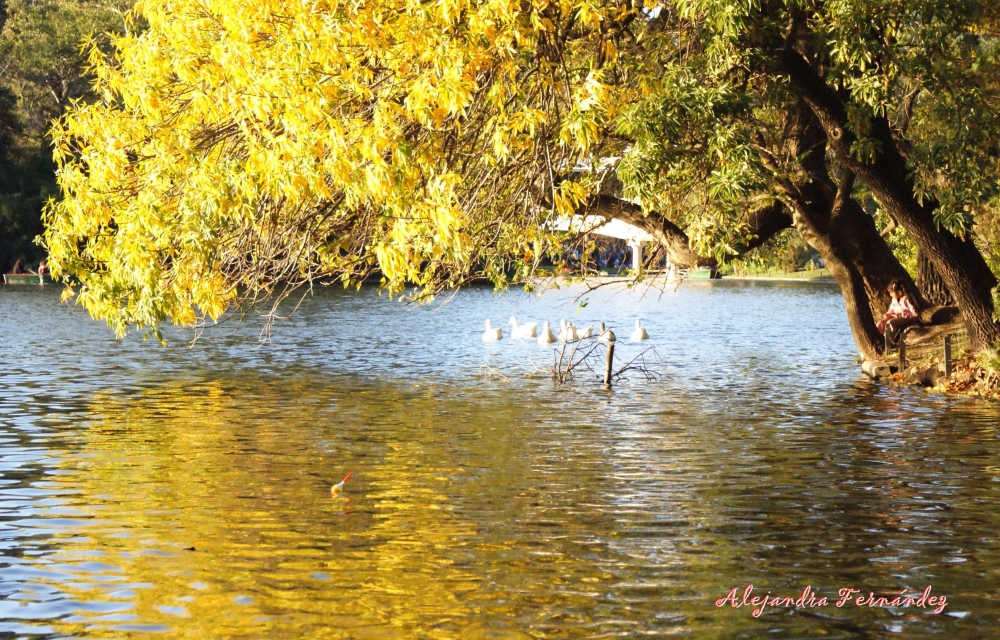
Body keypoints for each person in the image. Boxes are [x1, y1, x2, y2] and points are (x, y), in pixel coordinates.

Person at [877, 280, 919, 344]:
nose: (890, 295)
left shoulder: (908, 299)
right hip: (895, 317)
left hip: (906, 319)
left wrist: (900, 315)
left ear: (899, 293)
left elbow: (915, 314)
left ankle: (887, 343)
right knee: (880, 323)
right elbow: (892, 308)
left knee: (890, 323)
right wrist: (888, 314)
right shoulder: (894, 299)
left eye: (891, 293)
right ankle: (878, 341)